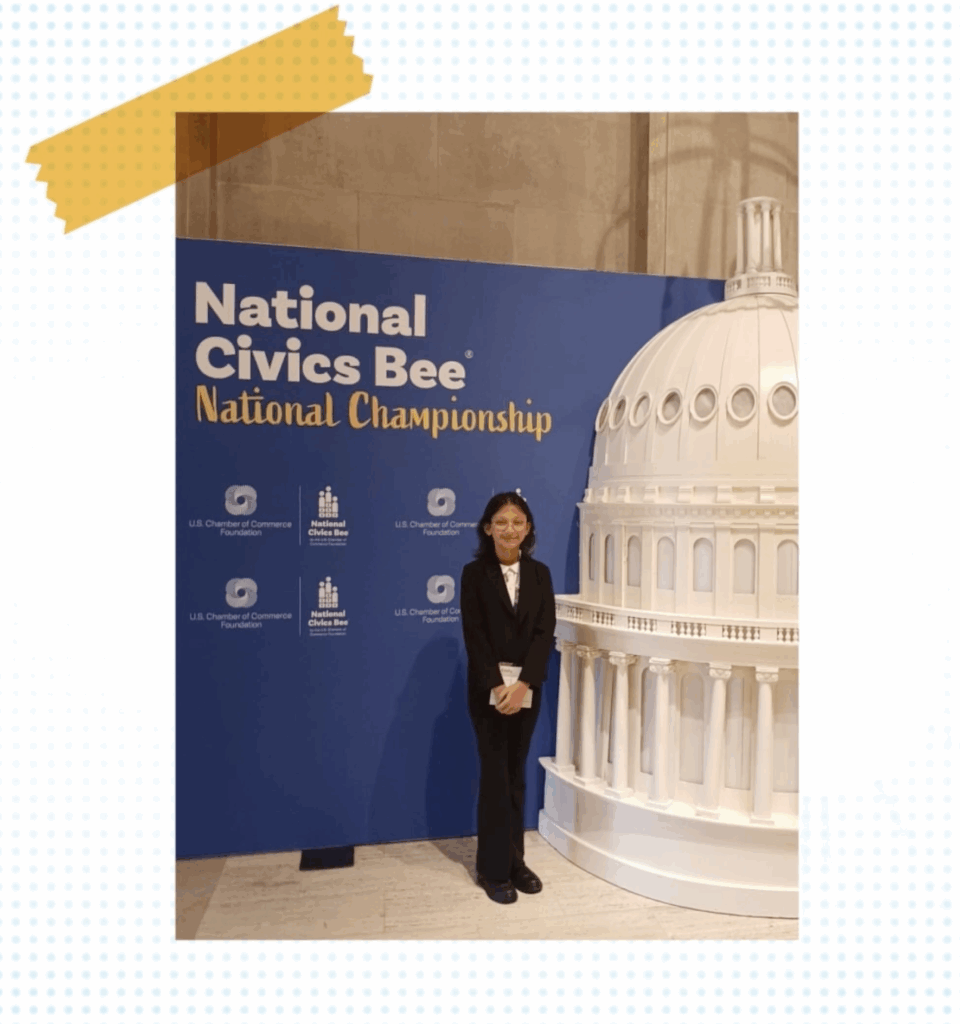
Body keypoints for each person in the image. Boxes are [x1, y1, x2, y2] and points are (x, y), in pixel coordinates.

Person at [459, 491, 557, 905]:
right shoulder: (473, 574)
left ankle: (516, 862)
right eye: (501, 522)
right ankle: (492, 869)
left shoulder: (540, 574)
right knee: (496, 778)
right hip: (489, 694)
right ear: (487, 529)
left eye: (517, 522)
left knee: (516, 777)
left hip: (526, 693)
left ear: (528, 528)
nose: (509, 529)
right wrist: (499, 687)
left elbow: (544, 634)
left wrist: (524, 685)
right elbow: (475, 636)